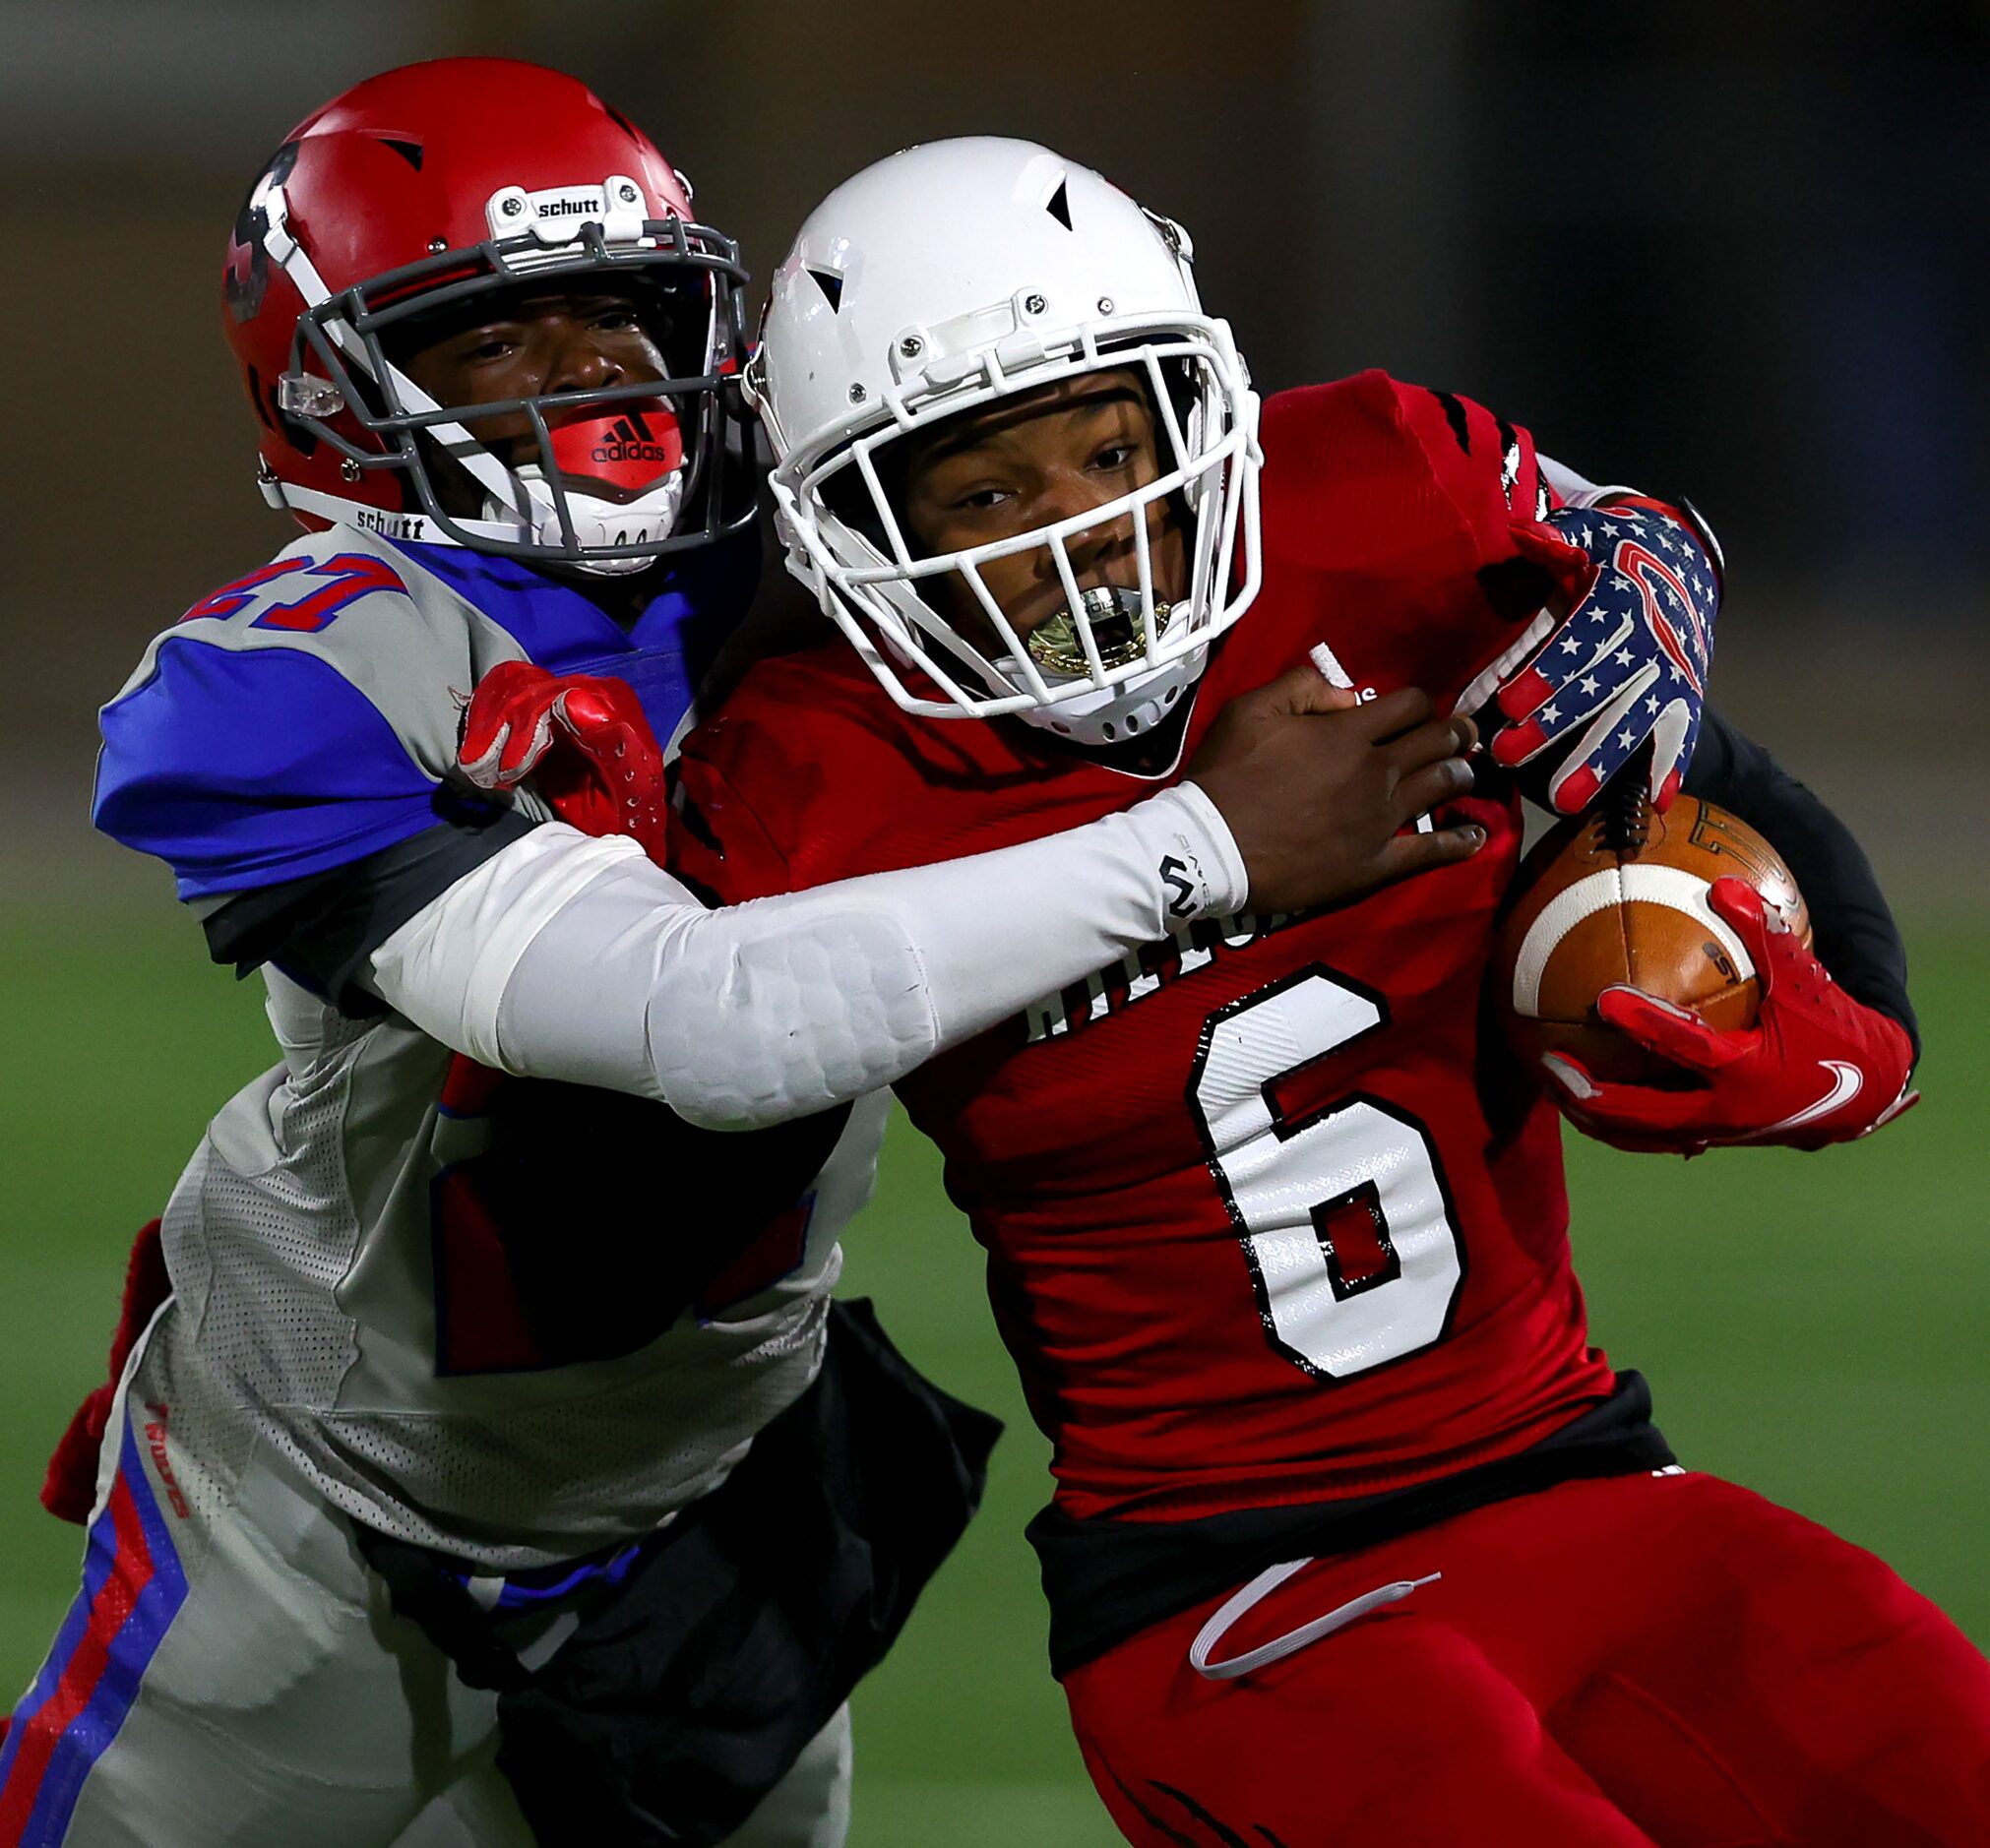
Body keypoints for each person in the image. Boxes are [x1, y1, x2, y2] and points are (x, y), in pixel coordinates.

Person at [0, 70, 1489, 1848]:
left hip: (718, 1492)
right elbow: (706, 1020)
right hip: (333, 1501)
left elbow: (1168, 449)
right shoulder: (301, 676)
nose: (595, 383)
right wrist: (1212, 851)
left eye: (624, 317)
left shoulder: (843, 551)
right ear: (339, 391)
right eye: (498, 339)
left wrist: (1595, 531)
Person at [664, 138, 1987, 1845]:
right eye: (983, 496)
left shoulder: (1371, 512)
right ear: (856, 523)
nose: (1079, 535)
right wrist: (1205, 847)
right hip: (1229, 1605)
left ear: (1194, 418)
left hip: (1578, 1469)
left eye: (1110, 452)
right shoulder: (808, 771)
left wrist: (1837, 1051)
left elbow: (1707, 766)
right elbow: (685, 1074)